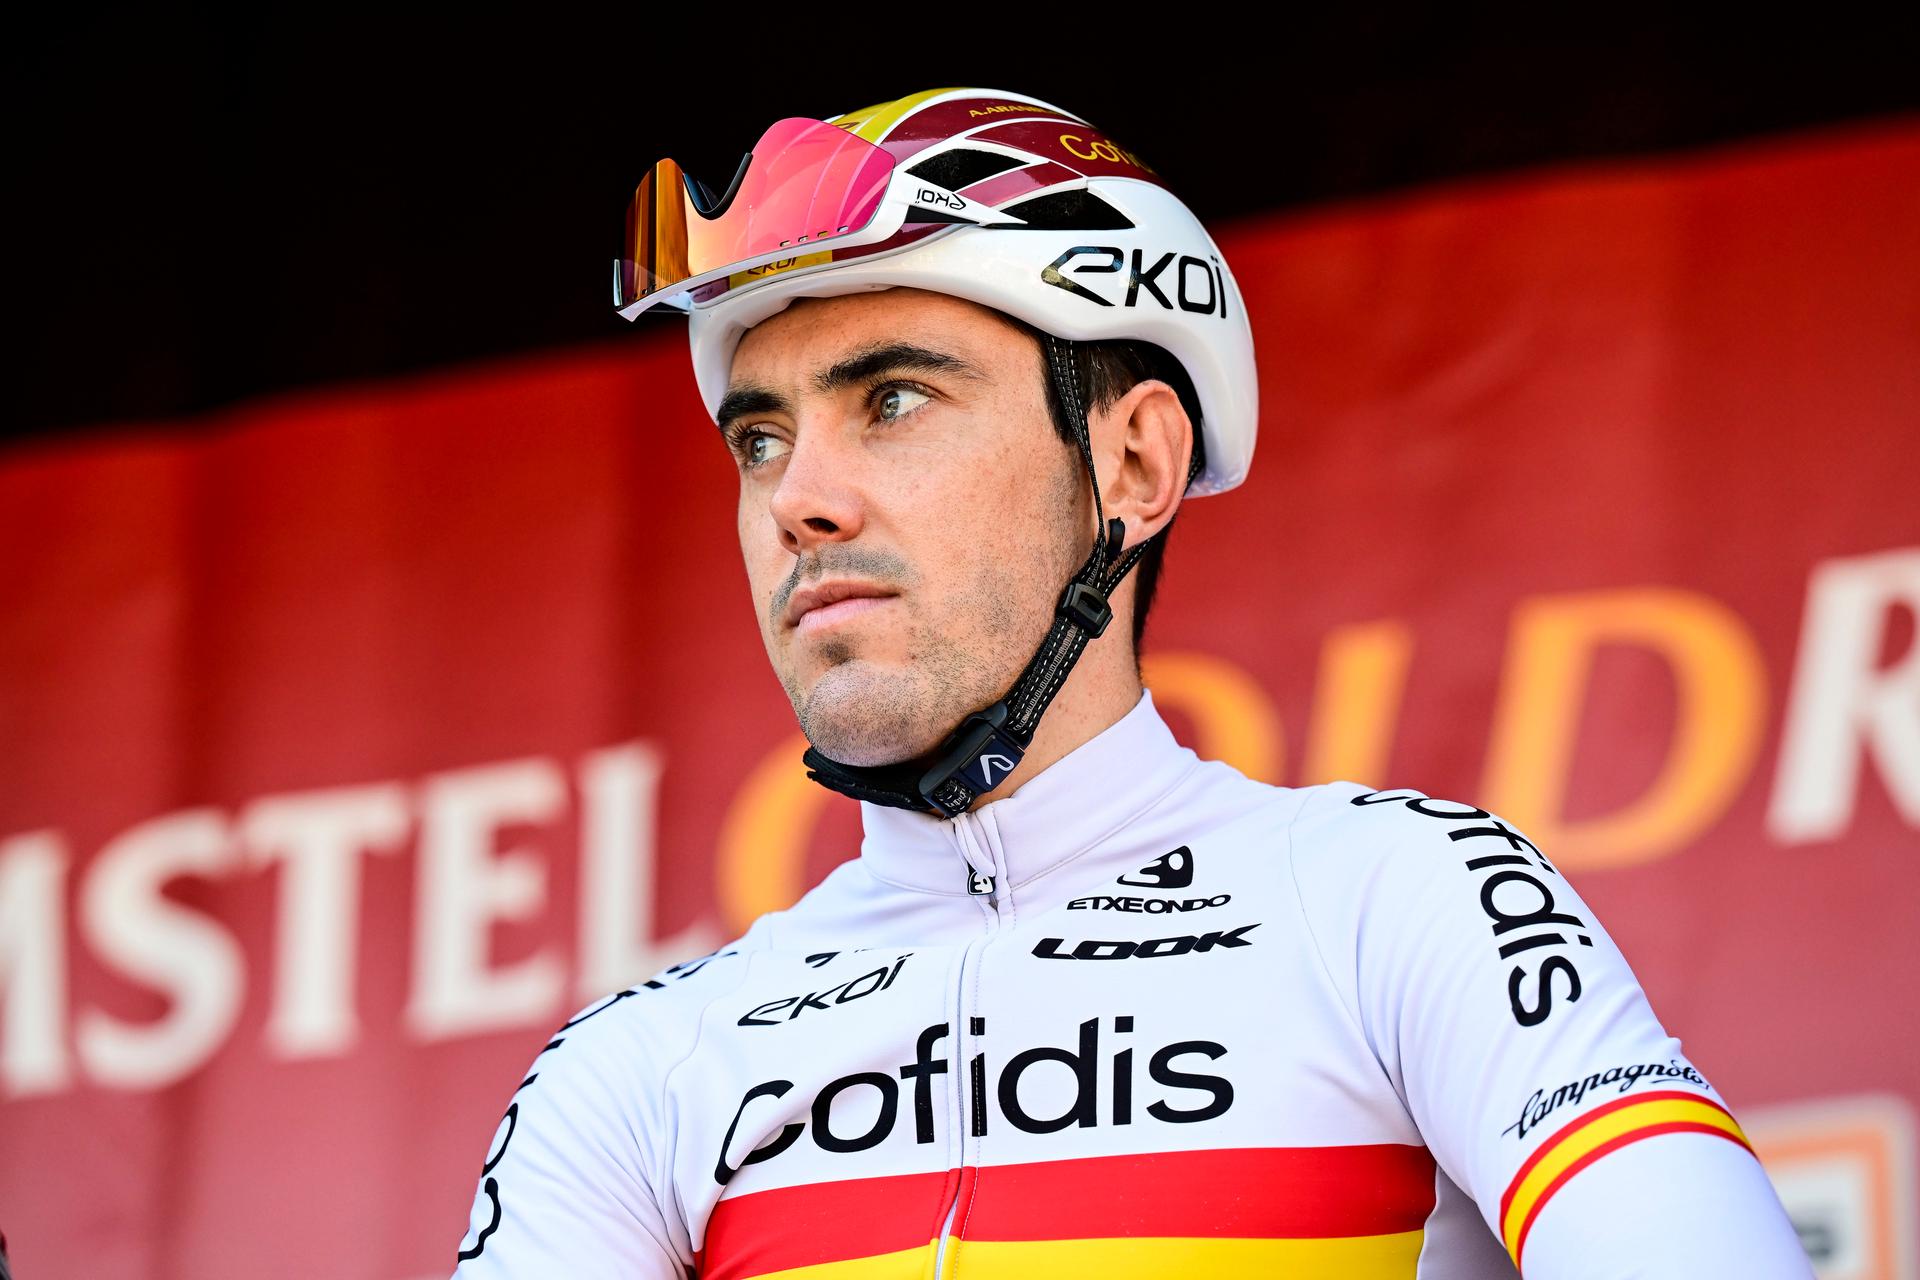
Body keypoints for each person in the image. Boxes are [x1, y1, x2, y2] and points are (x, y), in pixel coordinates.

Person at [453, 87, 1808, 1278]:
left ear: (1137, 466)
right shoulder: (633, 1072)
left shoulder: (1396, 900)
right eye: (760, 437)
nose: (798, 499)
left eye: (897, 400)